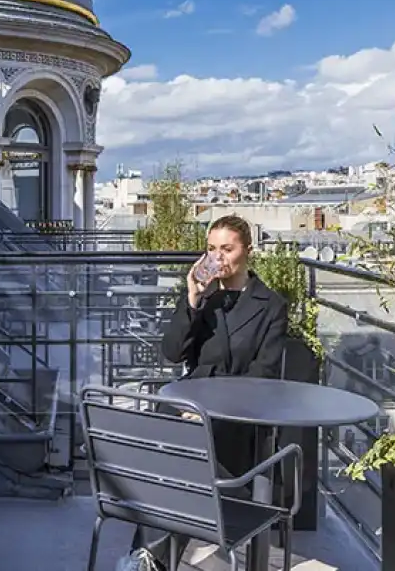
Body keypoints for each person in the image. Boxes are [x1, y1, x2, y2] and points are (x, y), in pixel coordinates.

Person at [123, 215, 290, 571]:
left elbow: (264, 375)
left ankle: (147, 559)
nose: (218, 258)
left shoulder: (271, 305)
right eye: (211, 249)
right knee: (170, 450)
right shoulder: (205, 297)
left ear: (247, 250)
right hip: (189, 406)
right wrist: (193, 299)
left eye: (227, 249)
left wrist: (209, 409)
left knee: (177, 464)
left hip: (235, 417)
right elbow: (171, 353)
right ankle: (150, 560)